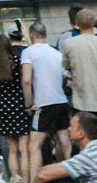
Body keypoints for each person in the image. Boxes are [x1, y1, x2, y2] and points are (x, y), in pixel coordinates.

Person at [59, 9, 97, 134]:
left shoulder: (68, 44)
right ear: (95, 22)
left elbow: (66, 66)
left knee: (84, 137)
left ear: (76, 22)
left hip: (82, 99)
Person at [0, 35, 33, 183]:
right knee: (24, 148)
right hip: (19, 104)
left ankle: (15, 179)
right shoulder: (17, 62)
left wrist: (1, 91)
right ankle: (26, 182)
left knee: (11, 149)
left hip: (3, 107)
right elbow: (25, 82)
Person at [21, 22, 70, 164]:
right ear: (46, 34)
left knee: (34, 146)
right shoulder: (57, 53)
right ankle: (68, 175)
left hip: (43, 104)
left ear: (31, 35)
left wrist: (29, 104)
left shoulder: (27, 53)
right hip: (61, 101)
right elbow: (66, 77)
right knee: (64, 142)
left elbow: (26, 80)